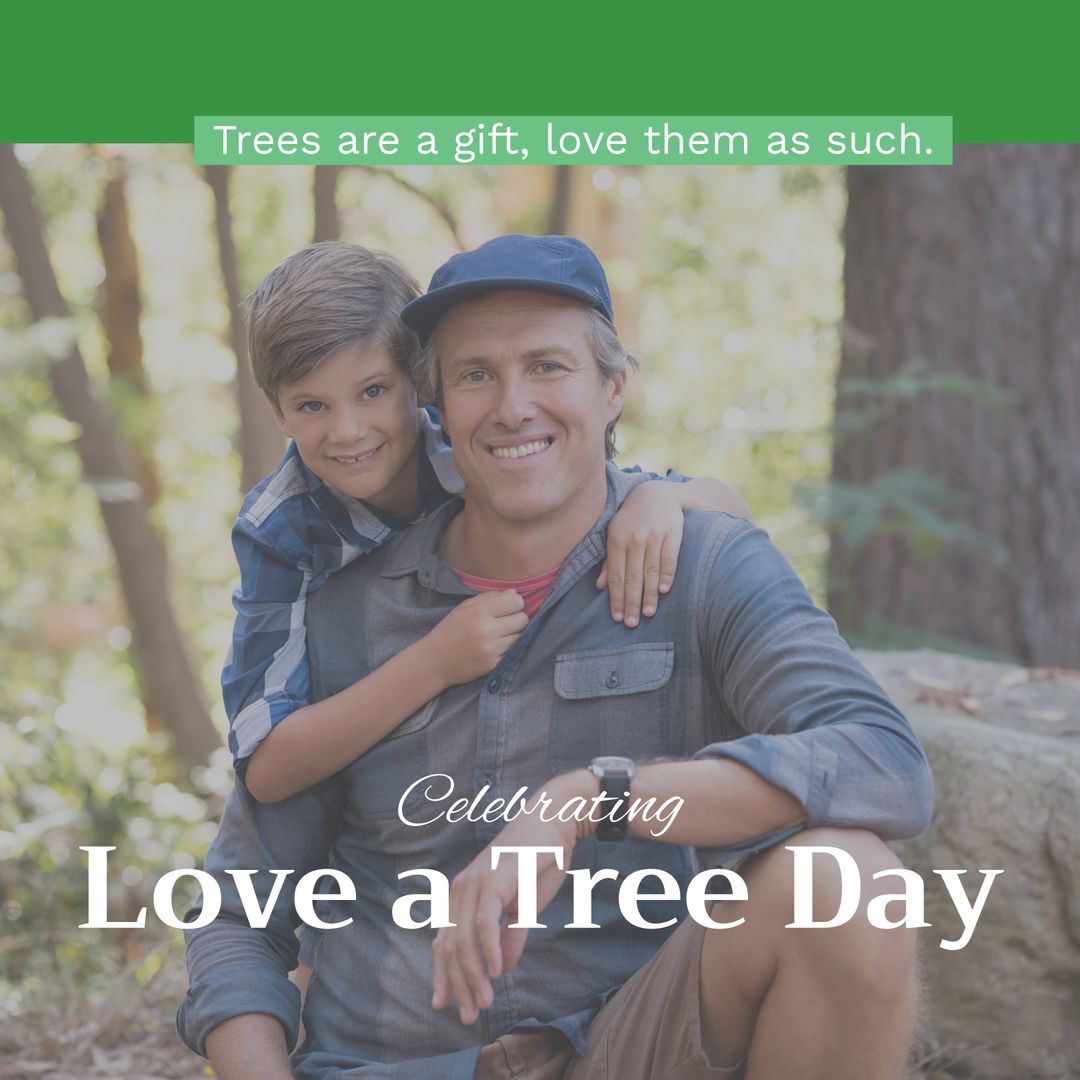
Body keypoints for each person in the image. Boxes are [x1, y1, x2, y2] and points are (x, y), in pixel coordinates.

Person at [180, 235, 933, 1080]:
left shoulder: (702, 564)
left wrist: (590, 799)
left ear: (613, 388)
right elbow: (238, 907)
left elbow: (881, 761)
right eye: (475, 375)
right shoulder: (339, 603)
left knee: (849, 882)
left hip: (626, 1047)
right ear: (438, 403)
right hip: (385, 1064)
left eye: (547, 366)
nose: (511, 406)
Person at [224, 242, 750, 806]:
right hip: (383, 747)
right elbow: (265, 767)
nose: (348, 430)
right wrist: (433, 663)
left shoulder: (473, 444)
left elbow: (727, 512)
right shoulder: (280, 528)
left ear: (422, 387)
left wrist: (661, 497)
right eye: (312, 406)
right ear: (278, 413)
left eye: (373, 391)